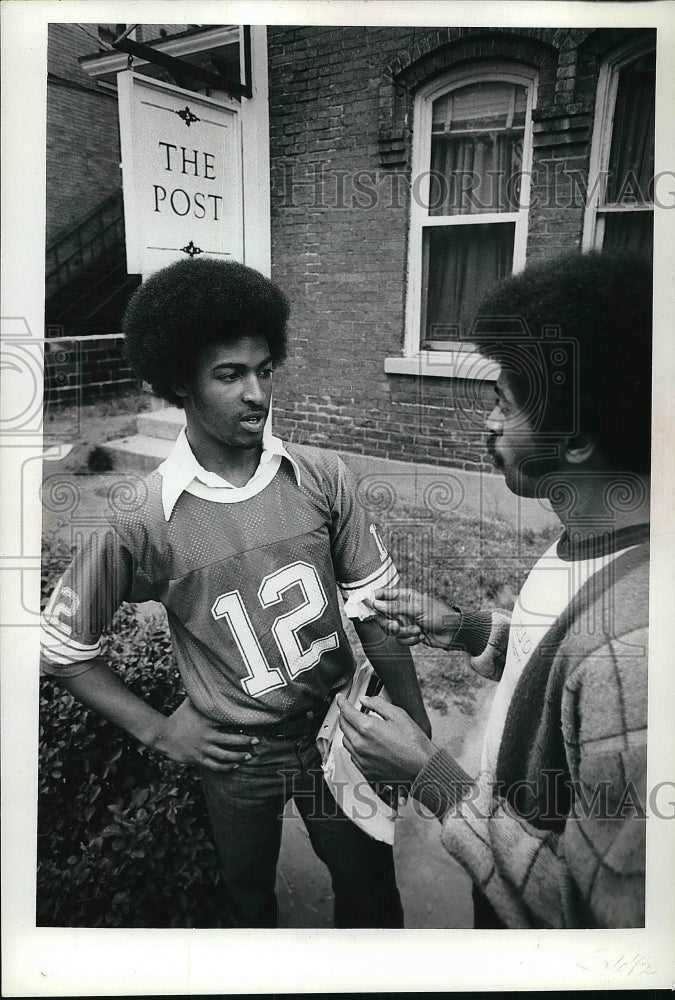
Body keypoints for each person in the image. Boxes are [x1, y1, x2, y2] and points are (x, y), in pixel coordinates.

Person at [40, 257, 430, 928]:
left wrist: (414, 723)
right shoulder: (143, 516)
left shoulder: (320, 476)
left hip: (341, 727)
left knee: (370, 890)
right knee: (247, 900)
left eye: (264, 370)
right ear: (179, 384)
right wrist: (159, 731)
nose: (256, 393)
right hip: (239, 752)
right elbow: (62, 649)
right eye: (229, 375)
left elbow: (374, 610)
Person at [338, 251, 651, 929]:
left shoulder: (634, 651)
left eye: (504, 405)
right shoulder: (595, 540)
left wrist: (432, 779)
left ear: (575, 439)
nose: (488, 424)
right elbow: (559, 676)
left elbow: (595, 920)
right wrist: (469, 630)